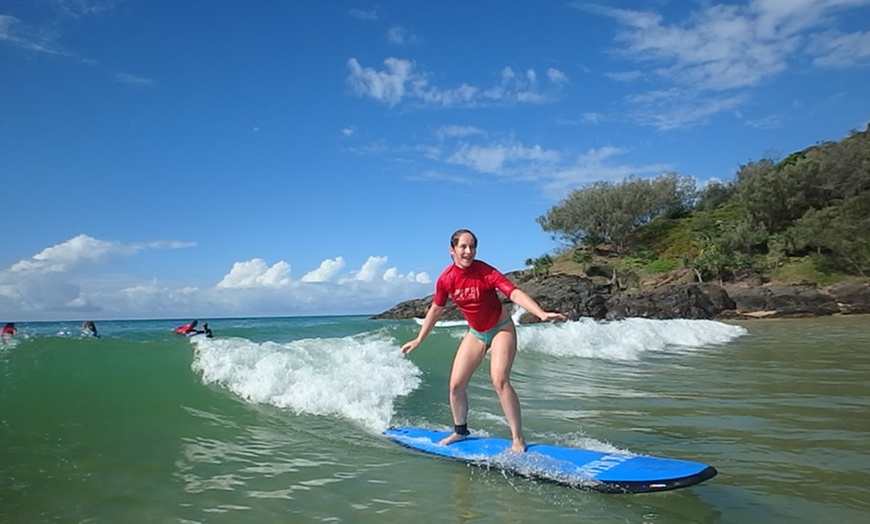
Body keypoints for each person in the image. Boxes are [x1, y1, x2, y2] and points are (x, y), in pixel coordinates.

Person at [401, 229, 566, 453]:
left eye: (472, 247)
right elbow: (436, 310)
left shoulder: (485, 271)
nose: (468, 252)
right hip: (476, 333)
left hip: (501, 329)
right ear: (452, 250)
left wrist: (540, 313)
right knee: (455, 386)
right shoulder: (446, 279)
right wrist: (419, 338)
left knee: (499, 380)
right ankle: (460, 431)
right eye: (463, 247)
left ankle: (518, 439)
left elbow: (513, 293)